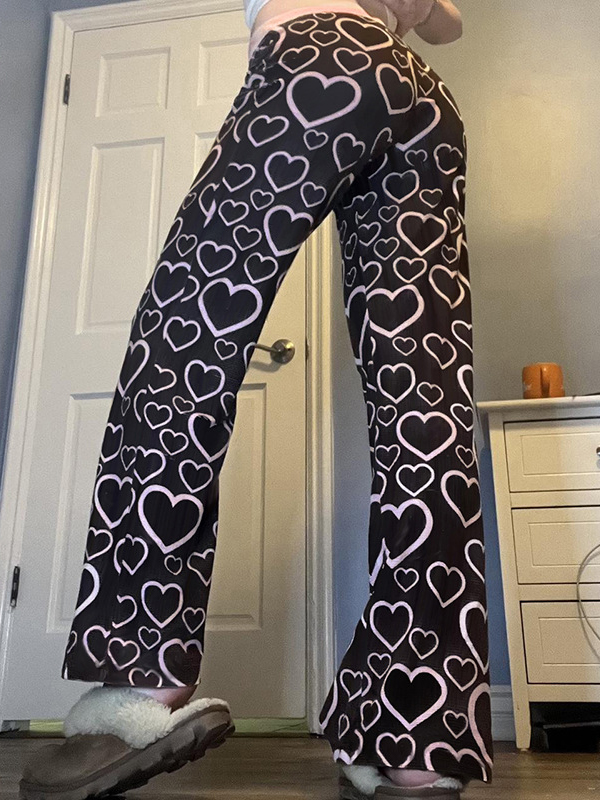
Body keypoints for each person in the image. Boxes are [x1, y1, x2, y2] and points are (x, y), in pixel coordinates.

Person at [20, 1, 493, 798]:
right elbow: (445, 23)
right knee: (424, 405)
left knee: (187, 325)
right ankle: (420, 735)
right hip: (426, 102)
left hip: (318, 60)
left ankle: (142, 666)